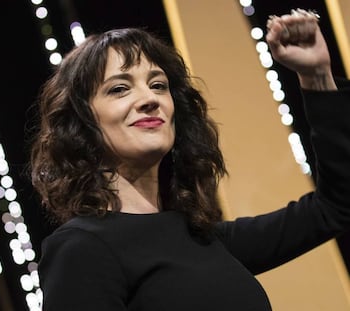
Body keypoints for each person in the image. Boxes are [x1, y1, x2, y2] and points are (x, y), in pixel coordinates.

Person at [30, 8, 350, 310]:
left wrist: (317, 75)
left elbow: (336, 207)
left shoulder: (204, 237)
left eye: (158, 85)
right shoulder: (82, 249)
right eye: (119, 89)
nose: (149, 99)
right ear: (81, 122)